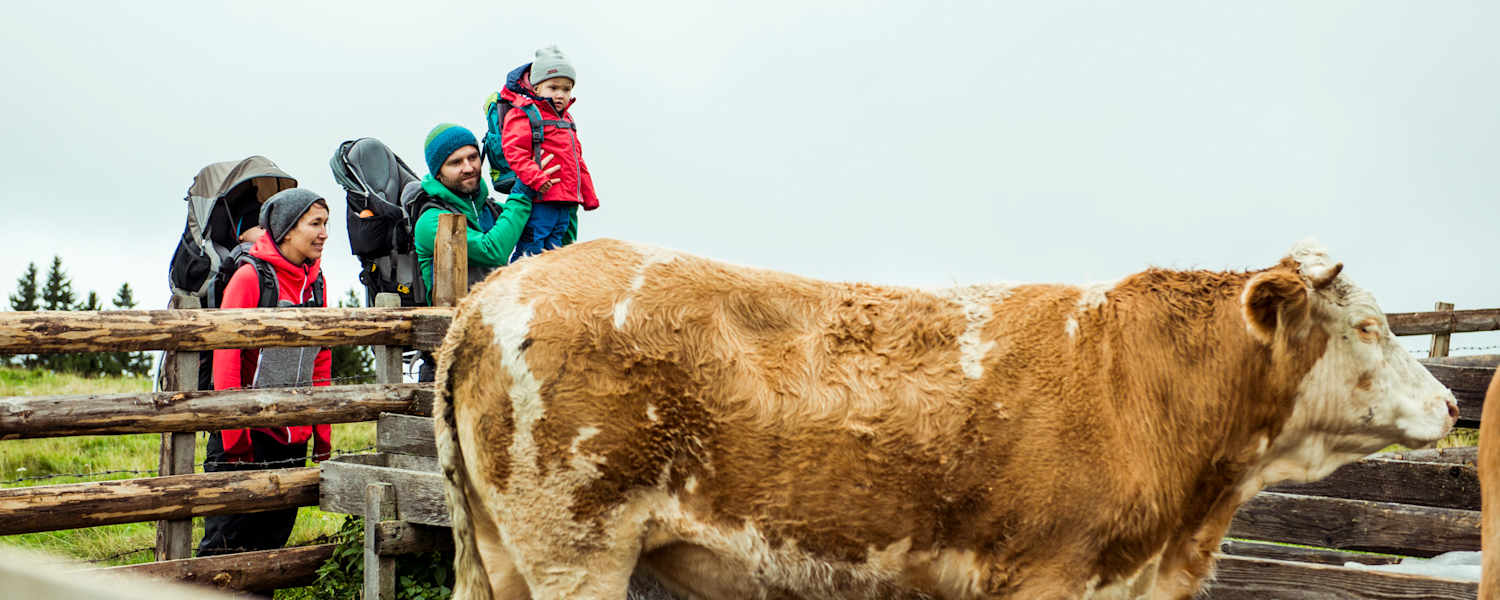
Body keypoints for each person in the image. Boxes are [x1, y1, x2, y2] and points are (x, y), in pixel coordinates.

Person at [197, 188, 334, 558]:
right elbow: (226, 360)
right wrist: (235, 438)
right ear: (287, 229)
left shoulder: (317, 283)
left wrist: (322, 435)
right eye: (315, 224)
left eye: (326, 224)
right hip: (245, 438)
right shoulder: (250, 278)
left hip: (292, 437)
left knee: (271, 544)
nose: (324, 233)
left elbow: (320, 360)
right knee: (225, 544)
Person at [410, 123, 557, 380]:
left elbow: (550, 246)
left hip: (498, 352)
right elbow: (494, 250)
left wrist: (560, 199)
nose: (468, 167)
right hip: (448, 362)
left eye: (473, 157)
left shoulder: (493, 211)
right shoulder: (431, 219)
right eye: (455, 162)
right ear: (438, 173)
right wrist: (522, 191)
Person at [498, 45, 600, 261]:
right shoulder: (526, 114)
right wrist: (536, 177)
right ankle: (520, 288)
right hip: (541, 199)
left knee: (557, 254)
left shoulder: (567, 120)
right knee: (533, 248)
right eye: (553, 87)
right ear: (536, 88)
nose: (560, 95)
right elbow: (513, 150)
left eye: (566, 89)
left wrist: (588, 195)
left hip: (565, 201)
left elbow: (576, 160)